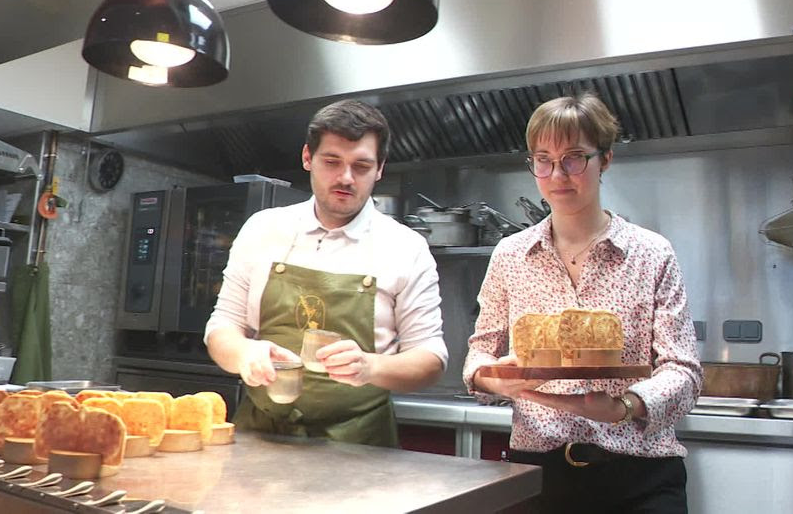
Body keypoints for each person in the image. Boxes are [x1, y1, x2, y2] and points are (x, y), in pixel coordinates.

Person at [463, 93, 702, 513]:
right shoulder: (510, 255)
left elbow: (683, 370)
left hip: (639, 476)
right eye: (543, 160)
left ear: (605, 159)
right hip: (538, 476)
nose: (558, 174)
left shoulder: (651, 253)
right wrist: (491, 380)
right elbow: (479, 352)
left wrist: (625, 406)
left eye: (574, 158)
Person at [205, 99, 447, 447]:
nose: (346, 178)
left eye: (361, 166)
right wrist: (244, 354)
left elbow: (430, 359)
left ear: (380, 169)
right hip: (259, 438)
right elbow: (222, 326)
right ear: (308, 158)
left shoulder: (405, 247)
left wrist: (371, 367)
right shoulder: (263, 230)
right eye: (332, 162)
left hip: (360, 447)